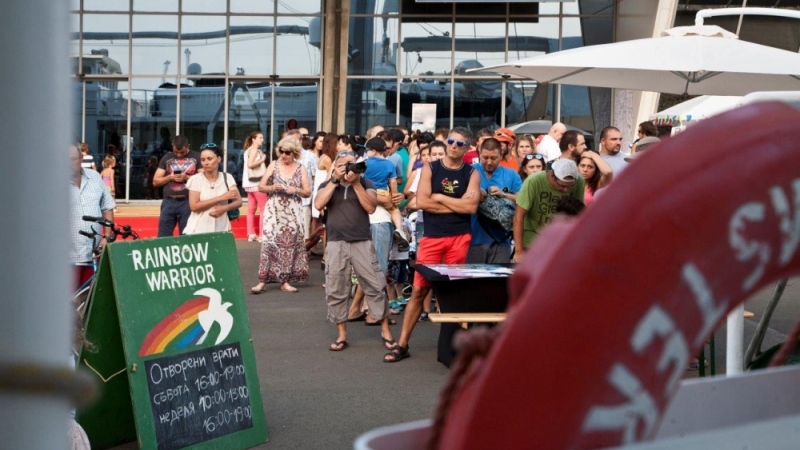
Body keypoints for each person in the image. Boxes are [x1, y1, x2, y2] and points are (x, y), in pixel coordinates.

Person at [385, 127, 480, 363]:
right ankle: (402, 343)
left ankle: (450, 347)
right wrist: (454, 202)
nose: (454, 146)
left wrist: (439, 197)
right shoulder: (430, 168)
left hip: (460, 237)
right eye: (451, 141)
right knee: (419, 290)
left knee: (452, 293)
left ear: (467, 148)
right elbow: (423, 203)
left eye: (460, 143)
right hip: (432, 237)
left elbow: (471, 208)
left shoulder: (472, 173)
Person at [315, 151, 395, 352]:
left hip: (362, 241)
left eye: (351, 164)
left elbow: (370, 208)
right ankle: (342, 334)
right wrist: (335, 180)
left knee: (375, 285)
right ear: (335, 166)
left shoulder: (367, 184)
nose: (347, 168)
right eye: (343, 165)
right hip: (335, 243)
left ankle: (385, 330)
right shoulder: (327, 185)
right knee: (336, 288)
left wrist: (356, 183)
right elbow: (318, 204)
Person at [252, 137, 311, 294]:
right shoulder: (274, 165)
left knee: (289, 244)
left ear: (294, 153)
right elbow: (260, 186)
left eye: (287, 152)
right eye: (281, 152)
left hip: (293, 210)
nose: (283, 155)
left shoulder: (301, 168)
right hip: (274, 209)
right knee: (269, 242)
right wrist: (272, 187)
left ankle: (285, 281)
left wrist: (296, 190)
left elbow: (307, 192)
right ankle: (262, 281)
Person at [513, 159, 584, 261]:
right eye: (562, 185)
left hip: (561, 240)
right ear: (552, 175)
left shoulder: (579, 181)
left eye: (570, 186)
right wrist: (519, 252)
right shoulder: (534, 181)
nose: (566, 190)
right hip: (533, 237)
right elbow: (518, 216)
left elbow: (578, 214)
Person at [467, 138, 523, 264]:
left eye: (494, 158)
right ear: (479, 154)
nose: (489, 162)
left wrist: (504, 195)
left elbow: (522, 200)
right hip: (474, 237)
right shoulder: (470, 170)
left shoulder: (511, 174)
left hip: (501, 239)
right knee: (473, 280)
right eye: (485, 157)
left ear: (501, 155)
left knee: (497, 280)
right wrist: (475, 190)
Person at [70, 144, 115, 289]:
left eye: (72, 159)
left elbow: (107, 206)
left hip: (92, 254)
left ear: (81, 158)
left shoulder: (95, 177)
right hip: (67, 257)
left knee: (88, 296)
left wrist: (107, 236)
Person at [183, 144, 242, 235]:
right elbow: (194, 207)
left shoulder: (228, 178)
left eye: (209, 159)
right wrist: (220, 198)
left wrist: (224, 208)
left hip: (221, 229)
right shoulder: (196, 179)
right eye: (203, 160)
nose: (206, 163)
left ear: (218, 159)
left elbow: (238, 201)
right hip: (198, 230)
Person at [364, 137, 410, 248]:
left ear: (374, 151)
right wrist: (394, 195)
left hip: (369, 192)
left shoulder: (364, 163)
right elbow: (393, 182)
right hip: (384, 192)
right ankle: (399, 229)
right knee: (394, 210)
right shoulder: (389, 164)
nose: (366, 153)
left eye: (367, 150)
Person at [153, 135, 201, 236]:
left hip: (188, 200)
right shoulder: (167, 158)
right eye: (176, 152)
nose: (179, 155)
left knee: (187, 235)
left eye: (182, 152)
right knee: (163, 235)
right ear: (172, 146)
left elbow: (204, 179)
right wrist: (169, 177)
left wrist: (187, 178)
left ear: (188, 146)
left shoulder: (197, 157)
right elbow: (155, 181)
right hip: (168, 200)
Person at [242, 131, 268, 242]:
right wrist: (262, 159)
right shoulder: (254, 151)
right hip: (257, 184)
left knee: (251, 210)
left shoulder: (248, 150)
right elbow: (250, 165)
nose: (262, 139)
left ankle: (251, 234)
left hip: (249, 184)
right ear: (254, 139)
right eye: (260, 138)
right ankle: (262, 235)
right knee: (264, 208)